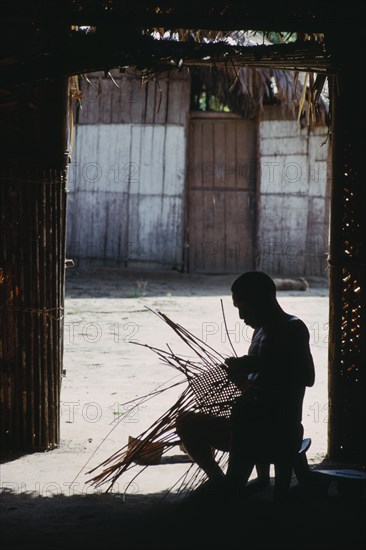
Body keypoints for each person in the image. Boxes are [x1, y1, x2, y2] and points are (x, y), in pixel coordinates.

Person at [176, 271, 315, 496]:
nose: (241, 316)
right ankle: (220, 480)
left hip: (276, 428)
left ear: (263, 300)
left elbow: (307, 378)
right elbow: (258, 382)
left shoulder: (293, 328)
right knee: (185, 421)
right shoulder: (260, 331)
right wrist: (239, 375)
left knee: (230, 487)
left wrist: (257, 366)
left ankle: (232, 488)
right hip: (250, 419)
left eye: (243, 307)